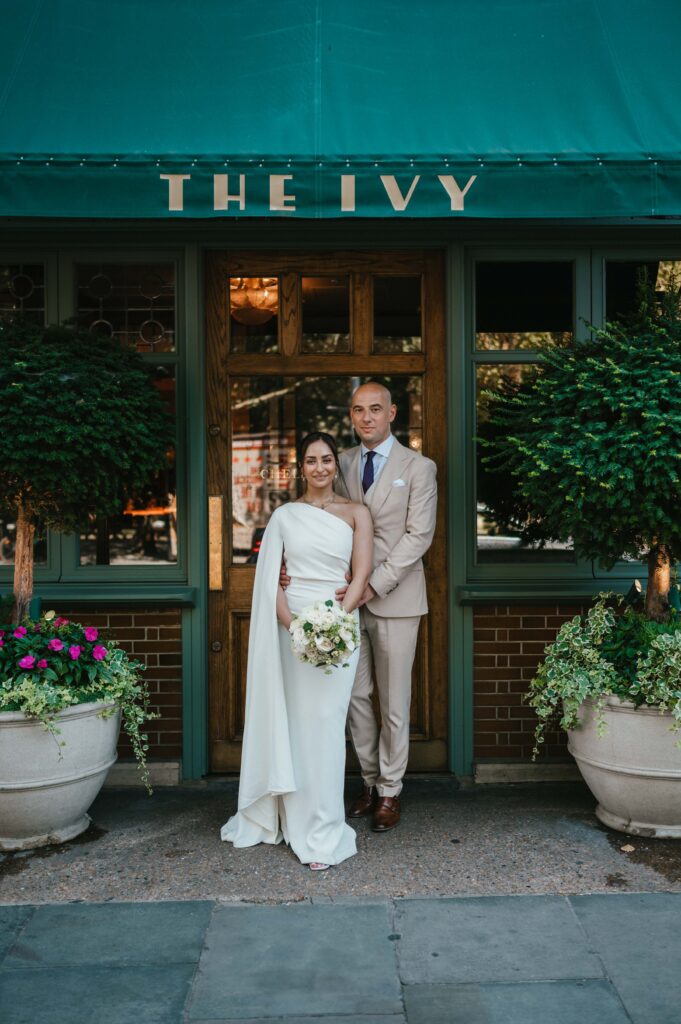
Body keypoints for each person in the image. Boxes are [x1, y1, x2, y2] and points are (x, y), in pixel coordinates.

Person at [221, 432, 373, 870]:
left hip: (340, 627)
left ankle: (323, 828)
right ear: (300, 467)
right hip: (296, 630)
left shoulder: (357, 513)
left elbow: (361, 572)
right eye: (311, 460)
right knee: (295, 725)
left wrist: (336, 621)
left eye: (327, 459)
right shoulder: (284, 516)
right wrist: (298, 629)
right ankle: (289, 816)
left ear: (336, 466)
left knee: (326, 727)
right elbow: (269, 581)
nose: (321, 467)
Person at [337, 381, 437, 832]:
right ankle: (369, 781)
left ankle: (391, 791)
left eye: (375, 409)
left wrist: (373, 585)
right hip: (345, 601)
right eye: (359, 410)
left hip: (394, 598)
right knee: (356, 698)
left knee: (394, 701)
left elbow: (419, 536)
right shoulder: (340, 463)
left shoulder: (418, 467)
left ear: (393, 413)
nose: (367, 418)